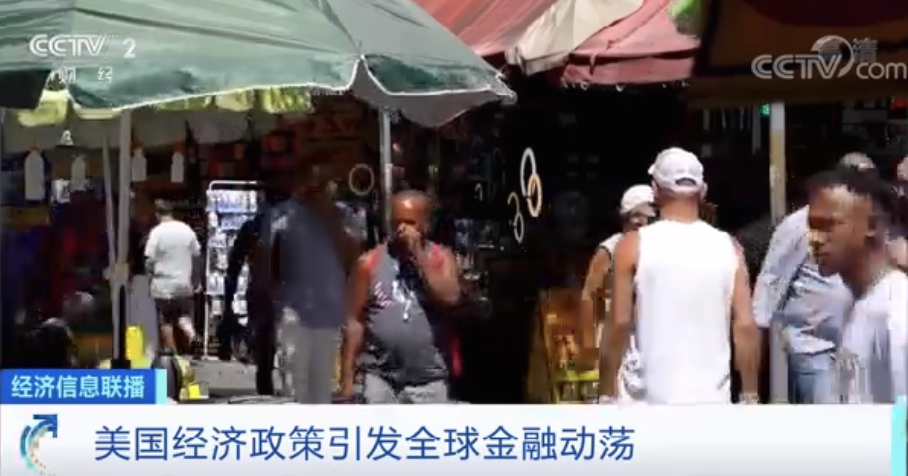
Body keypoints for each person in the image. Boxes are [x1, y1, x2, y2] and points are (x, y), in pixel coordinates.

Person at [599, 148, 761, 404]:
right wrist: (750, 395)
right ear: (703, 191)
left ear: (655, 190)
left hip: (647, 403)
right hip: (711, 403)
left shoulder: (632, 245)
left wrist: (606, 392)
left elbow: (619, 322)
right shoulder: (729, 248)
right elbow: (745, 326)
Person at [752, 153, 875, 403]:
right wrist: (759, 337)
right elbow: (772, 278)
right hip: (815, 347)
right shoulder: (799, 224)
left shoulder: (870, 222)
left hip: (857, 348)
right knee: (828, 422)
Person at [339, 190, 462, 404]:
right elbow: (354, 321)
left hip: (428, 379)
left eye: (410, 222)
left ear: (425, 224)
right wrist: (347, 380)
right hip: (380, 377)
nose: (402, 229)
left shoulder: (441, 258)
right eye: (396, 223)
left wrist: (419, 256)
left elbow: (450, 297)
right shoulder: (369, 263)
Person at [259, 164, 361, 403]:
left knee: (323, 392)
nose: (319, 187)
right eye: (313, 181)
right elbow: (264, 263)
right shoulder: (280, 215)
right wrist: (270, 303)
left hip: (331, 318)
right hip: (293, 317)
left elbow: (354, 261)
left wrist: (329, 218)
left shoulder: (345, 216)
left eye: (324, 182)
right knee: (294, 391)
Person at [805, 168, 906, 403]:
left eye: (827, 225)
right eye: (812, 226)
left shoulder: (896, 312)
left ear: (872, 225)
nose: (815, 239)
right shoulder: (859, 301)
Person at [579, 184, 656, 401]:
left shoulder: (654, 248)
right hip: (614, 334)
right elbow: (588, 294)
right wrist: (588, 345)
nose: (643, 222)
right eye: (638, 216)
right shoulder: (610, 248)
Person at [144, 199, 202, 353]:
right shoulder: (186, 230)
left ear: (157, 214)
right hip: (184, 282)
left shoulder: (157, 232)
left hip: (163, 284)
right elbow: (197, 255)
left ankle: (172, 353)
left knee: (165, 319)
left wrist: (149, 274)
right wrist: (196, 279)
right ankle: (192, 336)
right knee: (183, 315)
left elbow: (149, 259)